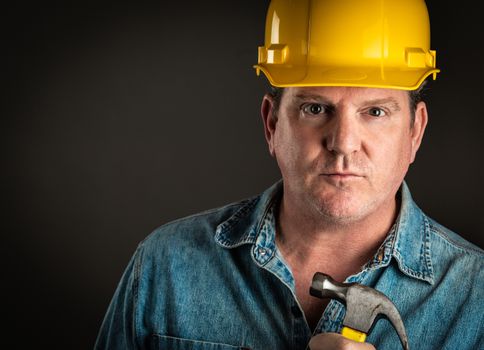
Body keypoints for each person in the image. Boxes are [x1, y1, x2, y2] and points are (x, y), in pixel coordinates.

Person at [94, 0, 483, 349]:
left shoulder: (476, 297)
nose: (344, 143)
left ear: (414, 132)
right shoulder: (166, 267)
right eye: (315, 109)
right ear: (271, 124)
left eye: (375, 112)